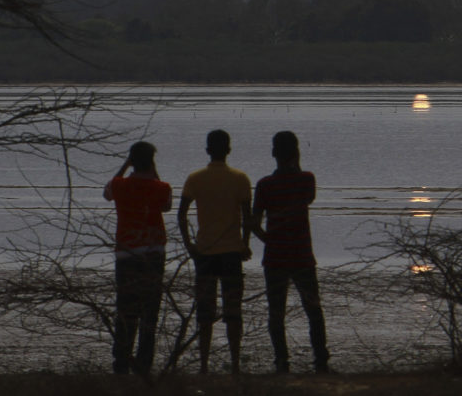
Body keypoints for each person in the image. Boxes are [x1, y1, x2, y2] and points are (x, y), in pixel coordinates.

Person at [252, 131, 330, 373]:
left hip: (275, 257)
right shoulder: (306, 180)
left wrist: (269, 240)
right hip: (302, 256)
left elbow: (254, 222)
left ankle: (282, 361)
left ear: (274, 153)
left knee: (276, 312)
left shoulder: (265, 185)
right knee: (313, 309)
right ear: (296, 153)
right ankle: (320, 361)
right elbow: (306, 198)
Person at [177, 129, 253, 374]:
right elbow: (247, 217)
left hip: (205, 252)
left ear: (208, 150)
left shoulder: (195, 178)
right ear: (228, 150)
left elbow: (181, 213)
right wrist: (244, 243)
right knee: (233, 309)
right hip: (231, 251)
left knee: (205, 311)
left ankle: (203, 365)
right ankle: (235, 362)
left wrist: (189, 244)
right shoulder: (240, 178)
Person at [103, 141, 172, 375]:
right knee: (150, 309)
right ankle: (144, 362)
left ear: (132, 160)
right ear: (151, 162)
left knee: (125, 308)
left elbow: (106, 194)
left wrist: (125, 165)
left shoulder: (119, 185)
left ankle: (121, 359)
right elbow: (166, 206)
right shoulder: (161, 187)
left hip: (126, 253)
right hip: (153, 253)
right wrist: (152, 172)